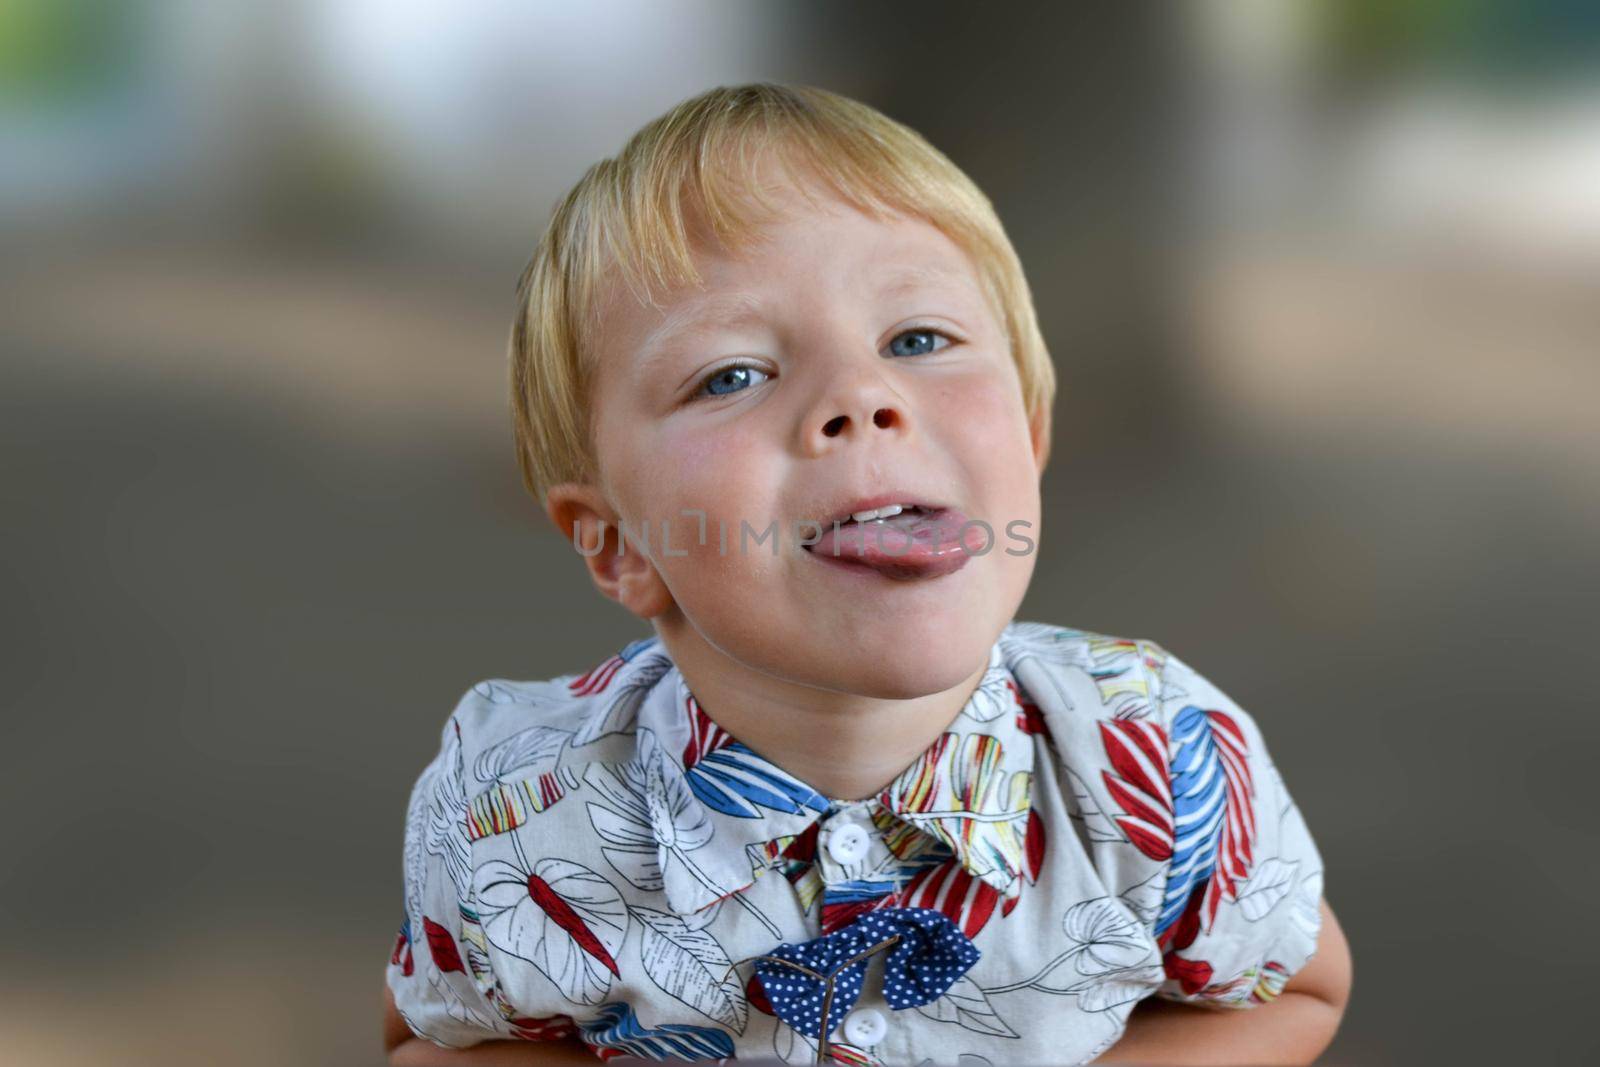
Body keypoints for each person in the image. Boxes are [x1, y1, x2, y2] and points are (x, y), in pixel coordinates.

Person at [381, 83, 1352, 1066]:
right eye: (732, 373)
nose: (861, 394)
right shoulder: (514, 806)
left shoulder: (1161, 756)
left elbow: (1294, 986)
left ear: (1029, 436)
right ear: (618, 542)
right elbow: (437, 1040)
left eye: (917, 339)